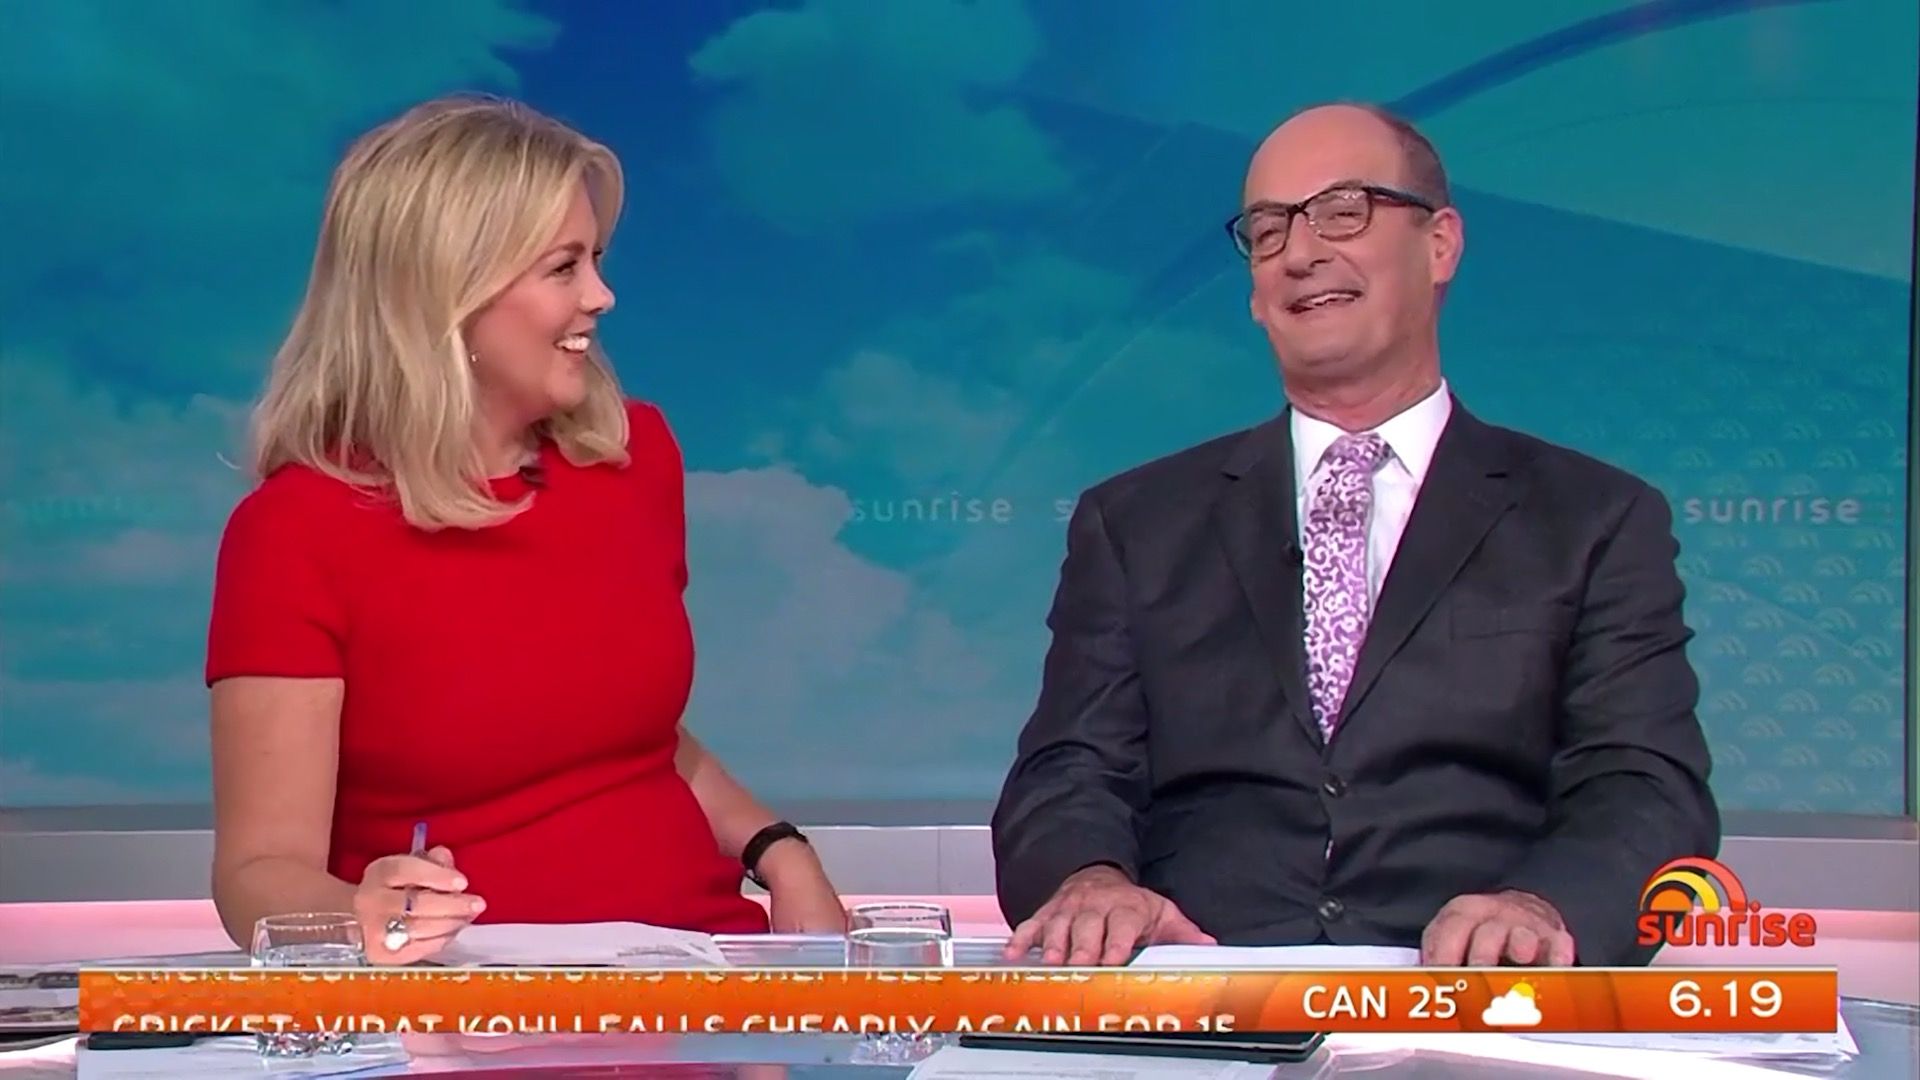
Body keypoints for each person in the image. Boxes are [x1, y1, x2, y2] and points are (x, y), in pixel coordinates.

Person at [991, 103, 1719, 969]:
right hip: (1196, 989)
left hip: (1473, 996)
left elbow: (1643, 782)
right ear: (1256, 295)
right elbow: (1069, 770)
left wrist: (1540, 906)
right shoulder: (1135, 522)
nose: (1300, 252)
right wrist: (1090, 880)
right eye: (1269, 230)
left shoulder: (1595, 518)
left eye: (1343, 212)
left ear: (1440, 244)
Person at [206, 95, 846, 964]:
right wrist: (366, 915)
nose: (601, 296)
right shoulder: (297, 532)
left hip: (703, 970)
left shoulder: (633, 459)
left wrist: (780, 851)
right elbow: (258, 874)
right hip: (476, 1002)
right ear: (448, 294)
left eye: (597, 260)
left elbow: (634, 740)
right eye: (563, 268)